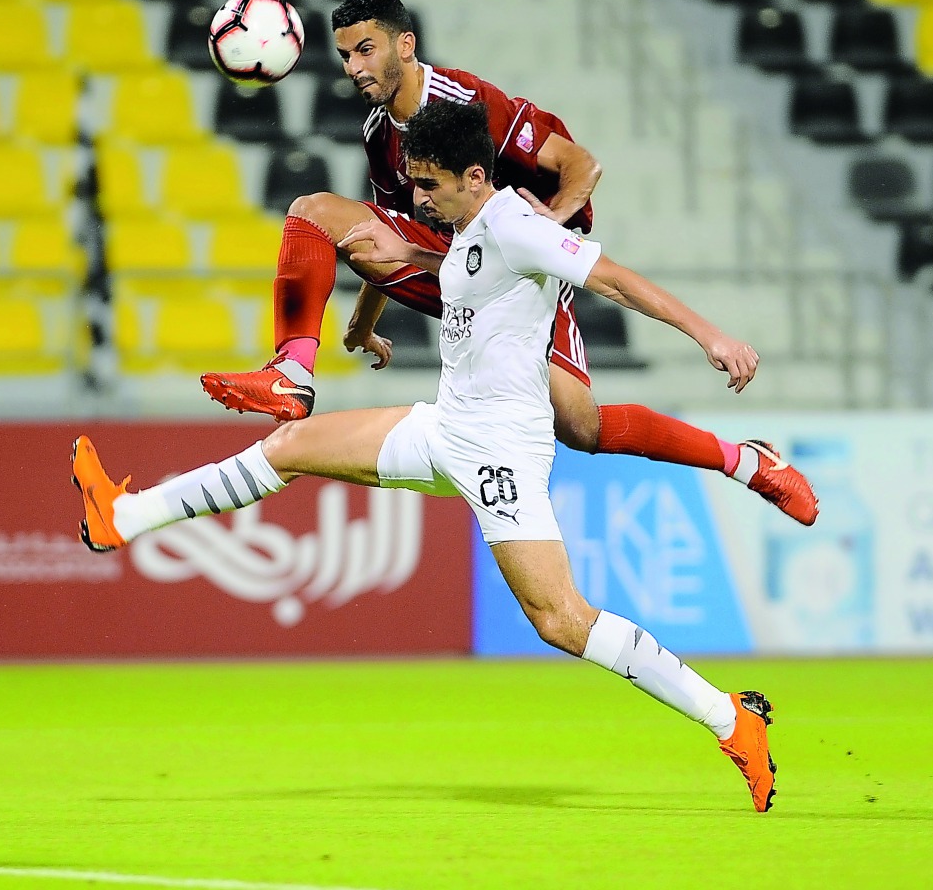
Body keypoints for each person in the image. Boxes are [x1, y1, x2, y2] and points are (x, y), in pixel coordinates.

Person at [75, 101, 777, 812]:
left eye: (430, 184)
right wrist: (387, 287)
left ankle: (728, 719)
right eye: (413, 182)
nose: (416, 197)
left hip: (501, 451)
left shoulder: (516, 225)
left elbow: (612, 279)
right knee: (289, 445)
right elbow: (469, 271)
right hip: (446, 430)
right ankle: (123, 517)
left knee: (561, 620)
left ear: (475, 176)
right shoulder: (472, 228)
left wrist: (707, 335)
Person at [201, 0, 817, 527]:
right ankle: (293, 374)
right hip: (455, 264)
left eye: (365, 49)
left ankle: (746, 461)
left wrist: (546, 227)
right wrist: (363, 323)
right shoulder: (378, 133)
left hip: (525, 275)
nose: (353, 67)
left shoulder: (465, 102)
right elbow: (388, 232)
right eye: (343, 54)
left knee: (584, 429)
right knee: (314, 211)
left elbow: (582, 165)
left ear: (405, 45)